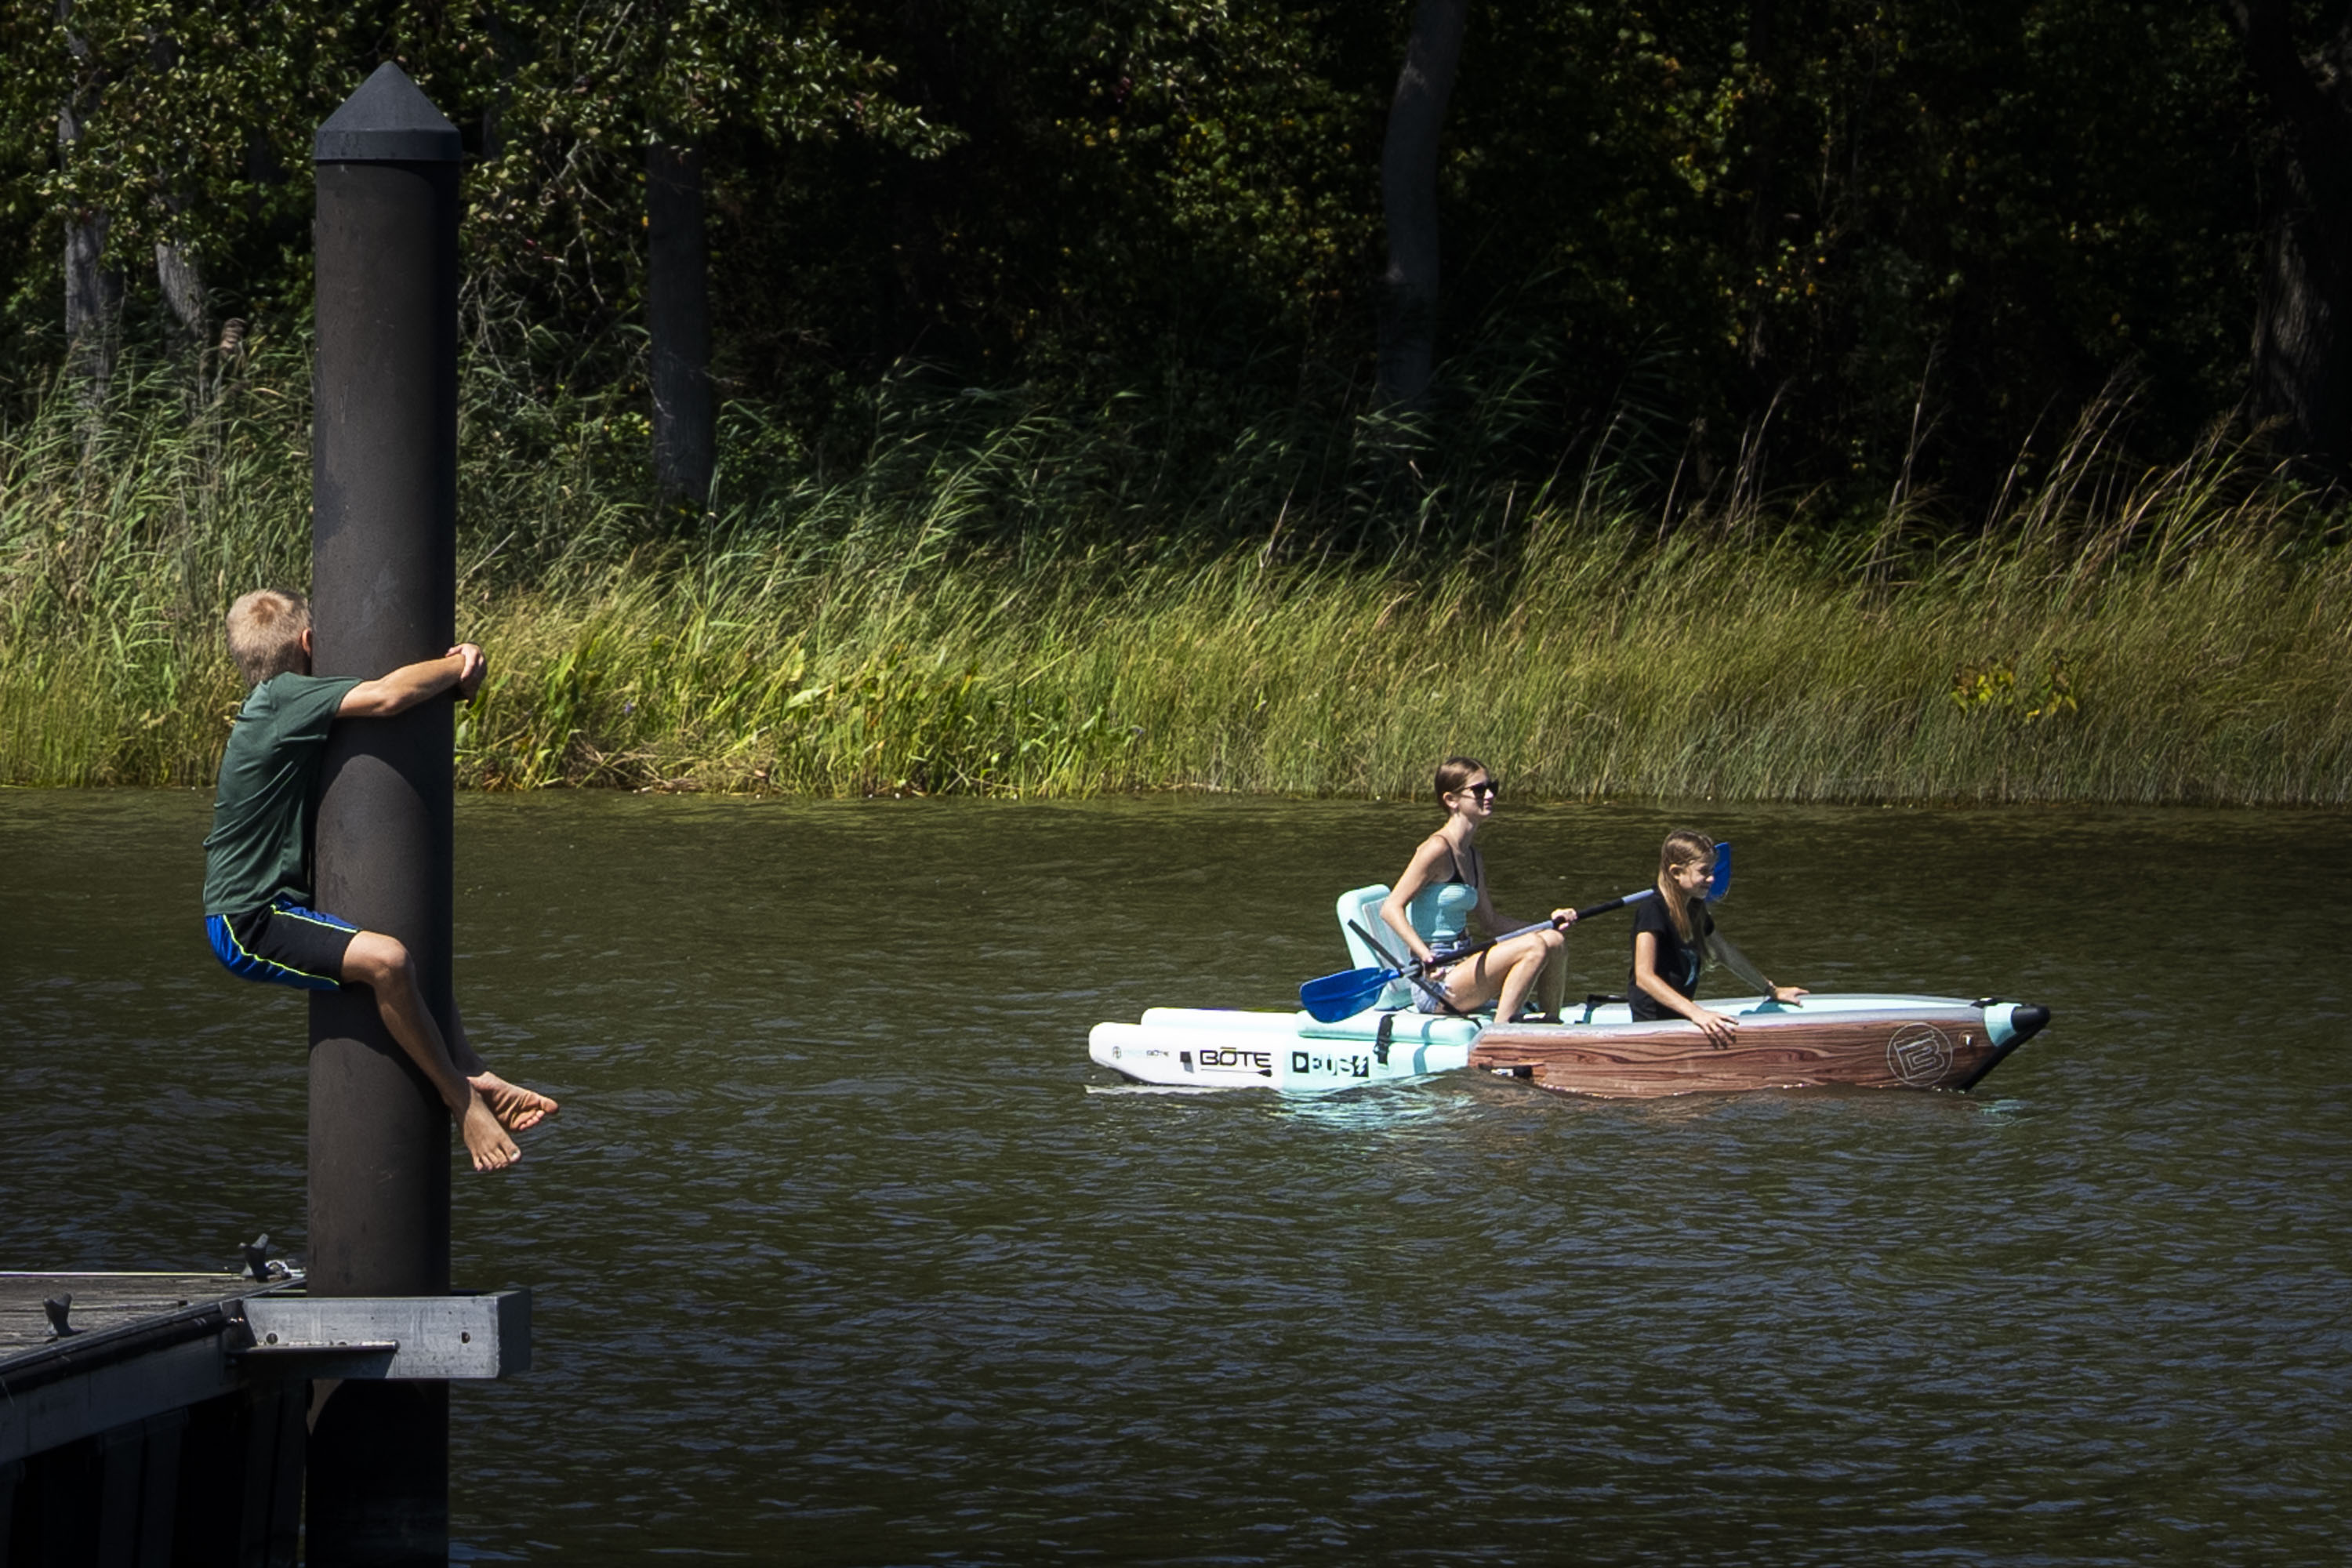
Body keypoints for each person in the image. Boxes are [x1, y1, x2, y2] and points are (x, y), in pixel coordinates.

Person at [202, 589, 557, 1172]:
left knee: (405, 954)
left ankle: (473, 1070)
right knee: (388, 960)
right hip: (248, 920)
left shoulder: (273, 703)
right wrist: (461, 662)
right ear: (311, 645)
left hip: (272, 908)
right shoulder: (284, 697)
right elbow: (390, 696)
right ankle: (463, 1102)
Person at [1378, 757, 1577, 1022]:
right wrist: (1426, 957)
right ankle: (1500, 1035)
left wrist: (1548, 925)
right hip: (1436, 984)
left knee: (1553, 941)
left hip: (1464, 964)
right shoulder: (1436, 849)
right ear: (1451, 800)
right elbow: (1390, 908)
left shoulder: (1472, 856)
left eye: (1492, 786)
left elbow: (1491, 922)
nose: (1490, 795)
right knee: (1533, 948)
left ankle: (1550, 1024)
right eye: (1479, 790)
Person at [1628, 828, 1807, 1047]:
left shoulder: (1694, 908)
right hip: (1653, 1027)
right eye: (1704, 872)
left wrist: (1771, 989)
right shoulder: (1652, 910)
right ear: (1676, 872)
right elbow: (1644, 977)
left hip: (1680, 1017)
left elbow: (1725, 953)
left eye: (1713, 870)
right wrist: (1697, 1013)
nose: (1712, 879)